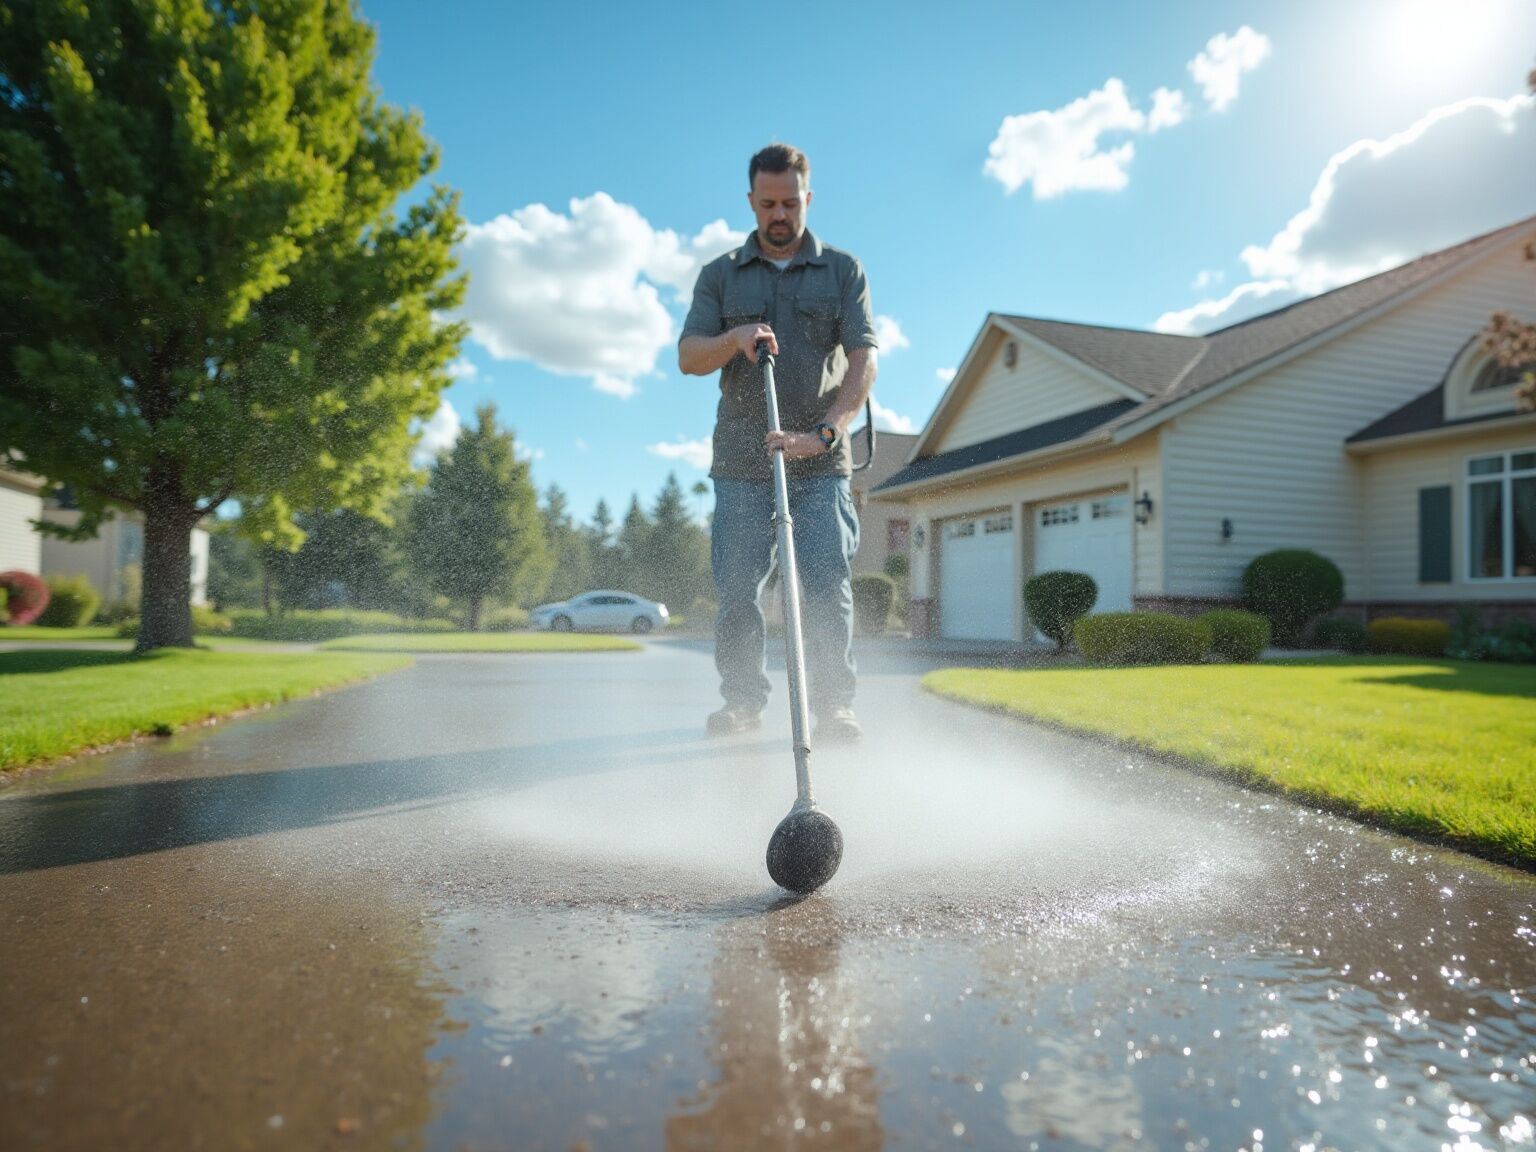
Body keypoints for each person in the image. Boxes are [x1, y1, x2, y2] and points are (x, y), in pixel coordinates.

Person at [678, 143, 879, 741]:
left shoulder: (843, 271)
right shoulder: (720, 274)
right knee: (738, 589)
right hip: (742, 458)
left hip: (819, 460)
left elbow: (864, 358)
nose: (780, 215)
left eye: (791, 202)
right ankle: (741, 703)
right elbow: (689, 356)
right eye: (768, 204)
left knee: (824, 585)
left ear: (807, 198)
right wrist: (734, 336)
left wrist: (826, 432)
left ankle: (833, 707)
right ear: (751, 202)